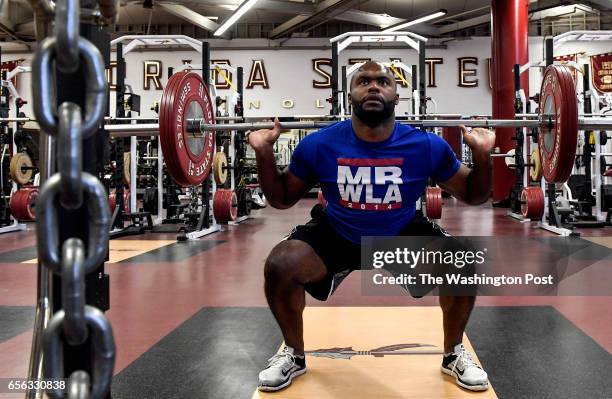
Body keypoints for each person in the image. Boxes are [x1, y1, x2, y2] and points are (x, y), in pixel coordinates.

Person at [246, 61, 495, 392]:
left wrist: (483, 157)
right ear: (349, 94)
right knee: (281, 263)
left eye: (383, 82)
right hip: (337, 231)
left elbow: (474, 195)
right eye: (364, 81)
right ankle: (294, 354)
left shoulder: (426, 146)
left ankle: (453, 355)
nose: (374, 87)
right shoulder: (319, 144)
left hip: (399, 231)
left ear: (396, 95)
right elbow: (281, 199)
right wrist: (264, 153)